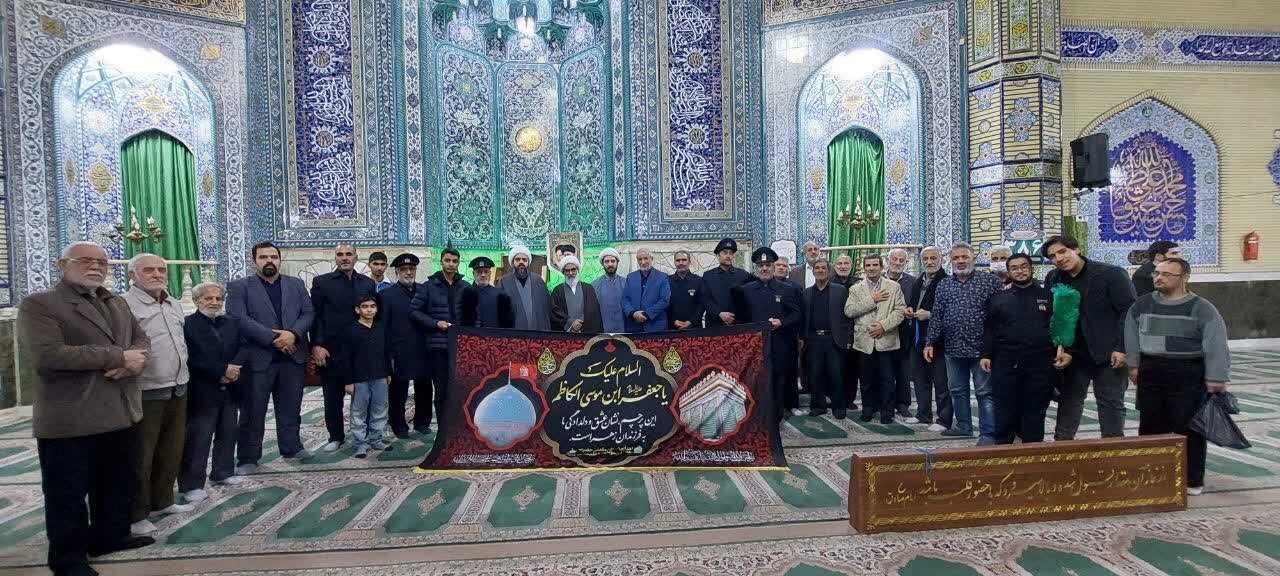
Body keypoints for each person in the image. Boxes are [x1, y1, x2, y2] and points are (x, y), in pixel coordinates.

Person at [20, 241, 154, 575]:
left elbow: (141, 339)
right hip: (73, 416)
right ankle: (68, 558)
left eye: (102, 262)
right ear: (62, 264)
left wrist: (136, 361)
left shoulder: (116, 302)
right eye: (85, 260)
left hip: (120, 410)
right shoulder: (41, 304)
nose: (95, 267)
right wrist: (118, 357)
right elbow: (49, 355)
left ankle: (110, 536)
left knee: (115, 482)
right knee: (67, 492)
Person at [1125, 258, 1229, 495]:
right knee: (1150, 425)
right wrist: (1134, 365)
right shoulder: (1142, 304)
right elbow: (1130, 334)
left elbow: (1215, 344)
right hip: (1151, 370)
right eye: (1156, 274)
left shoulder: (1202, 308)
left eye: (1166, 274)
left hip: (1188, 371)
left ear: (1185, 278)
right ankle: (1152, 475)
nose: (1158, 278)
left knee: (1190, 426)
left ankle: (1192, 479)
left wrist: (1216, 377)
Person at [121, 254, 194, 536]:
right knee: (142, 454)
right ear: (133, 275)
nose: (157, 274)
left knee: (171, 449)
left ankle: (162, 500)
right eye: (148, 270)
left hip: (178, 385)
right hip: (146, 389)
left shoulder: (172, 302)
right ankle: (136, 512)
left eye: (161, 270)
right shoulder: (124, 305)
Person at [228, 241, 314, 475]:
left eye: (273, 257)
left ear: (279, 259)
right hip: (258, 358)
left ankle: (292, 447)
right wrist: (274, 338)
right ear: (254, 260)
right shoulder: (239, 287)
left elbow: (308, 313)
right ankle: (248, 457)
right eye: (263, 257)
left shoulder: (296, 284)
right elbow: (238, 318)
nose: (269, 261)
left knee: (291, 407)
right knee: (253, 410)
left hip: (292, 357)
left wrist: (293, 334)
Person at [1042, 235, 1136, 440]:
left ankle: (1112, 449)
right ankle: (1062, 450)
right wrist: (1061, 349)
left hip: (1108, 353)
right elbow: (1054, 315)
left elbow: (1129, 312)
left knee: (1110, 404)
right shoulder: (1054, 278)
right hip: (1073, 355)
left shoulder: (1110, 274)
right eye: (1053, 256)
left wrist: (1122, 348)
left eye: (1063, 251)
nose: (1059, 258)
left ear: (1076, 249)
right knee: (1069, 402)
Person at [979, 254, 1072, 445]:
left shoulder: (1048, 296)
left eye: (1023, 267)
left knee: (1035, 409)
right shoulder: (998, 299)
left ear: (1031, 269)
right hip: (1006, 362)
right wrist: (986, 354)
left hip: (1040, 363)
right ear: (1008, 272)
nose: (1019, 271)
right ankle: (1003, 447)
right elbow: (989, 329)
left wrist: (1064, 350)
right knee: (1005, 407)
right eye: (1014, 268)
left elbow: (1061, 327)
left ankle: (1032, 449)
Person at [923, 243, 1002, 441]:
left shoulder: (990, 281)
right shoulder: (944, 285)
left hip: (981, 349)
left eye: (964, 257)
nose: (960, 261)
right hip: (953, 347)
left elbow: (1000, 314)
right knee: (957, 390)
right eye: (956, 258)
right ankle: (963, 426)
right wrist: (929, 342)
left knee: (984, 392)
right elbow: (937, 315)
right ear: (950, 261)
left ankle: (988, 432)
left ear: (973, 258)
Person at [179, 282, 247, 505]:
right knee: (199, 439)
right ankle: (191, 484)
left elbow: (243, 347)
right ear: (197, 301)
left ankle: (223, 472)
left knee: (228, 432)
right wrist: (221, 371)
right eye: (209, 298)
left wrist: (233, 369)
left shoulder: (231, 323)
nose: (215, 302)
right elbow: (190, 357)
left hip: (231, 387)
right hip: (203, 390)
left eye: (218, 299)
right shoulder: (187, 325)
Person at [310, 243, 377, 452]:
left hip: (361, 349)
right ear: (335, 258)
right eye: (340, 254)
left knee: (366, 394)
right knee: (332, 396)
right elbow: (315, 316)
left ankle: (366, 434)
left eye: (349, 254)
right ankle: (336, 436)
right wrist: (317, 344)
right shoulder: (322, 282)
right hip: (332, 348)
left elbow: (373, 315)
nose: (345, 258)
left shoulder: (367, 283)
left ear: (356, 257)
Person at [732, 247, 802, 421]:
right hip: (754, 348)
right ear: (756, 268)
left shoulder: (787, 290)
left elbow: (797, 315)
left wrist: (782, 322)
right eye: (760, 265)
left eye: (768, 265)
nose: (764, 268)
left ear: (773, 266)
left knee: (778, 382)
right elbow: (740, 320)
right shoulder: (745, 291)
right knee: (755, 381)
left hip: (780, 345)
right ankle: (756, 417)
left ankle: (775, 419)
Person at [411, 246, 470, 432]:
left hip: (460, 347)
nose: (451, 264)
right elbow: (414, 311)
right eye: (448, 260)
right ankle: (444, 429)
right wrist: (436, 323)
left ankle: (458, 425)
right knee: (442, 388)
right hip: (438, 346)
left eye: (454, 261)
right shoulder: (428, 287)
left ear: (458, 263)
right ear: (441, 261)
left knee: (460, 386)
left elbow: (474, 314)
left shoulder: (465, 287)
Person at [844, 254, 907, 424]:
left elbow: (900, 311)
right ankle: (868, 409)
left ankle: (887, 412)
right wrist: (872, 299)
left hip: (886, 340)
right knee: (866, 380)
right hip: (864, 342)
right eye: (868, 265)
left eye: (875, 265)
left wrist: (883, 326)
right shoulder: (855, 289)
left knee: (887, 380)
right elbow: (849, 311)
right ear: (864, 268)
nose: (871, 268)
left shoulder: (894, 287)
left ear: (881, 267)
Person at [338, 294, 393, 458]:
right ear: (357, 310)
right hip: (359, 378)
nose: (369, 310)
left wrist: (388, 373)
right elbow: (345, 358)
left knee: (380, 409)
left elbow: (386, 352)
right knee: (358, 412)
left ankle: (376, 439)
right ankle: (360, 443)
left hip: (380, 376)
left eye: (372, 306)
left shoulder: (380, 328)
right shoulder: (350, 331)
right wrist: (348, 381)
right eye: (365, 306)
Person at [381, 253, 428, 438]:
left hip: (423, 348)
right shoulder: (386, 295)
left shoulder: (424, 290)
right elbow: (384, 326)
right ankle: (398, 425)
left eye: (412, 269)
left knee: (424, 388)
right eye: (404, 269)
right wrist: (387, 353)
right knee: (398, 391)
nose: (409, 272)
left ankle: (422, 422)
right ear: (397, 272)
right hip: (399, 351)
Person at [904, 246, 950, 432]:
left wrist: (929, 315)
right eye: (926, 259)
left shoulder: (947, 282)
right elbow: (914, 304)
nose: (929, 262)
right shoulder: (918, 282)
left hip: (938, 341)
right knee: (920, 380)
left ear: (941, 260)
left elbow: (952, 311)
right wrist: (909, 310)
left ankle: (944, 419)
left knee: (941, 382)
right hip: (918, 339)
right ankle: (923, 414)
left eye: (933, 258)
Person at [801, 259, 850, 418]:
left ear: (829, 271)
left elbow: (848, 316)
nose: (820, 270)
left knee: (837, 374)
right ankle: (818, 406)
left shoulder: (840, 290)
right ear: (813, 271)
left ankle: (839, 407)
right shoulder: (806, 293)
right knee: (815, 374)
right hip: (813, 339)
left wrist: (848, 338)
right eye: (817, 268)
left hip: (834, 339)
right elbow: (803, 317)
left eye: (823, 268)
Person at [885, 248, 917, 418]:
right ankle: (885, 403)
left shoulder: (913, 282)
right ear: (888, 260)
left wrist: (911, 310)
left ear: (906, 262)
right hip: (883, 333)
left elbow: (916, 304)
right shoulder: (878, 280)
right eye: (894, 259)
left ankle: (903, 404)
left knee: (903, 371)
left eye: (901, 260)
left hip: (904, 334)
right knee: (884, 371)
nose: (897, 263)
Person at [498, 244, 553, 330]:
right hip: (513, 333)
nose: (521, 262)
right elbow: (500, 309)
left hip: (537, 332)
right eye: (517, 259)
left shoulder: (538, 280)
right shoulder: (504, 281)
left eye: (524, 259)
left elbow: (546, 307)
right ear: (512, 262)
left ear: (528, 262)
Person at [702, 238, 751, 327]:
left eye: (730, 253)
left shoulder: (743, 275)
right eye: (725, 253)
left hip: (738, 324)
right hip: (715, 324)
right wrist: (719, 313)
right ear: (718, 255)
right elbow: (705, 299)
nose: (728, 256)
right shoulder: (708, 276)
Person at [551, 255, 603, 333]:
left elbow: (594, 311)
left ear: (578, 270)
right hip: (566, 335)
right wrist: (571, 323)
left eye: (573, 269)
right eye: (567, 270)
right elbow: (555, 312)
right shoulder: (557, 290)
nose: (570, 273)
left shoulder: (588, 288)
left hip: (586, 333)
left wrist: (580, 324)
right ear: (563, 272)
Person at [623, 248, 671, 333]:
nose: (643, 262)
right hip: (634, 326)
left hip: (655, 327)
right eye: (640, 259)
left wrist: (647, 314)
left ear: (651, 259)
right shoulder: (630, 277)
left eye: (645, 258)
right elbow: (625, 299)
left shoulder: (662, 277)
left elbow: (664, 300)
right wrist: (633, 313)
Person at [460, 256, 515, 328]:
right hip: (473, 334)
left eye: (486, 272)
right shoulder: (467, 294)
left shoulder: (499, 295)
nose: (483, 275)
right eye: (479, 272)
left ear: (490, 273)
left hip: (493, 334)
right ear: (473, 274)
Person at [667, 250, 705, 330]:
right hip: (672, 327)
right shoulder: (667, 281)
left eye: (684, 260)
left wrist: (691, 322)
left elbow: (702, 304)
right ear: (674, 263)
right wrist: (674, 321)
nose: (681, 263)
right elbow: (665, 304)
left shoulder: (699, 281)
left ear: (689, 262)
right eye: (678, 260)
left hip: (695, 328)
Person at [592, 248, 626, 332]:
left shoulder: (626, 283)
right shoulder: (594, 285)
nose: (610, 264)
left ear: (617, 263)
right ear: (603, 264)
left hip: (624, 331)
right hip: (602, 332)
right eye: (607, 261)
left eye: (613, 261)